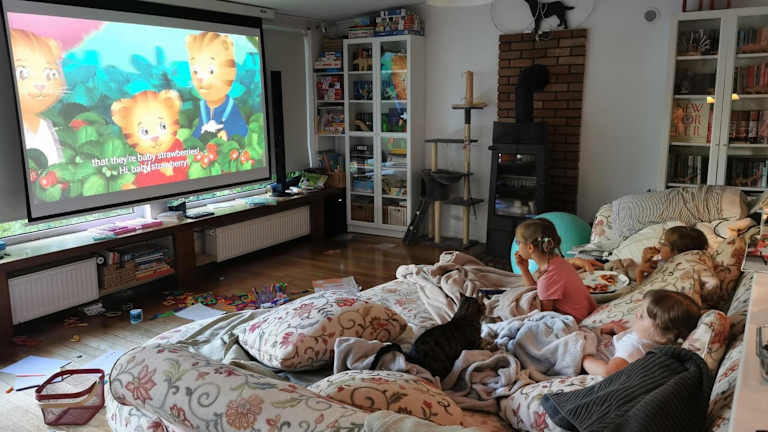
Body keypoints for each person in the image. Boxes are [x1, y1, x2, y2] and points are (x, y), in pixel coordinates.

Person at [582, 289, 701, 376]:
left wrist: (583, 358)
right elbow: (640, 341)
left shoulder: (633, 347)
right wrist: (621, 332)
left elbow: (608, 371)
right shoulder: (652, 341)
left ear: (663, 337)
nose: (637, 314)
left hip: (591, 359)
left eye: (642, 316)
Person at [514, 219, 597, 322]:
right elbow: (534, 289)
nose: (517, 246)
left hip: (572, 319)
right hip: (583, 311)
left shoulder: (548, 277)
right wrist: (524, 269)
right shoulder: (557, 262)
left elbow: (543, 314)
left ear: (530, 247)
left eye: (518, 242)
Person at [636, 226, 709, 282]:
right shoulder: (665, 262)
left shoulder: (675, 270)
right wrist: (644, 261)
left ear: (677, 253)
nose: (659, 246)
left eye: (664, 244)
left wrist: (639, 272)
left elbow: (643, 289)